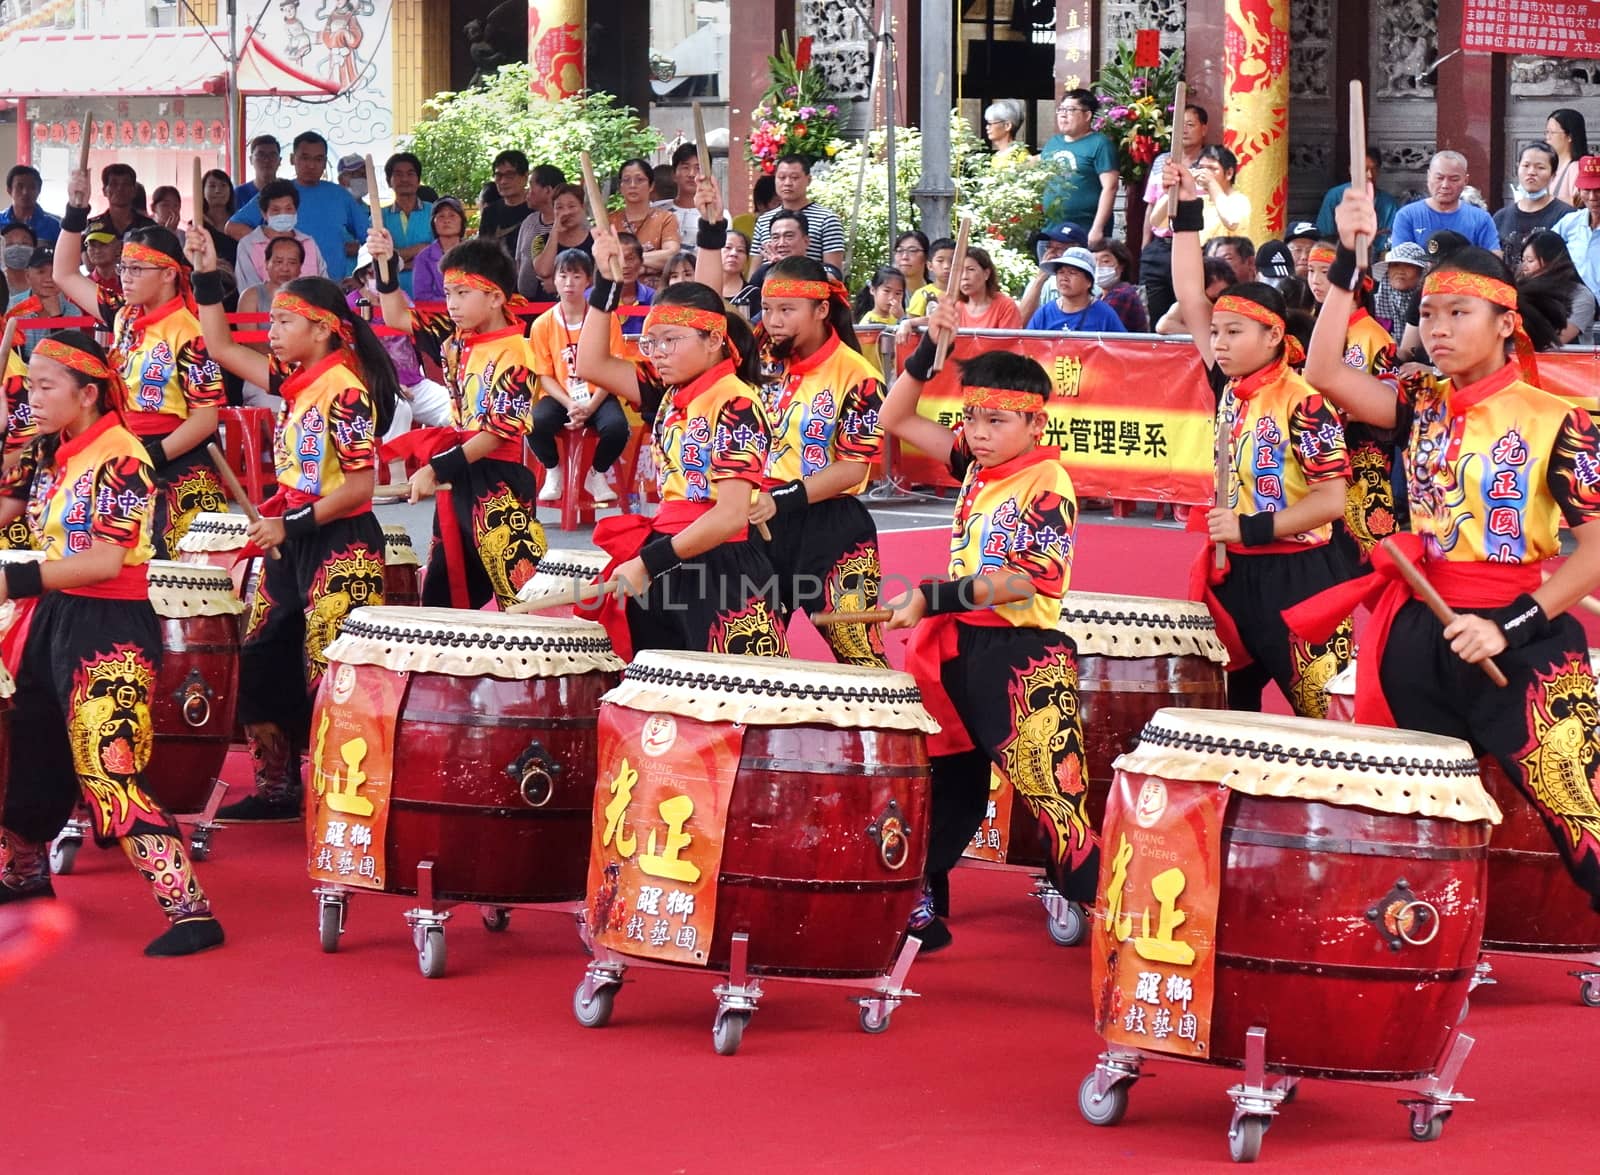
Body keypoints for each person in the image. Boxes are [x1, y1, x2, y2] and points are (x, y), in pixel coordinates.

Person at [1294, 186, 1600, 919]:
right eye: (1427, 313)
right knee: (1413, 804)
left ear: (1505, 322)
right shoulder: (1420, 400)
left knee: (1582, 806)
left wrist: (1511, 626)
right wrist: (1349, 259)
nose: (1437, 327)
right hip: (1417, 627)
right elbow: (1324, 372)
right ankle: (1432, 948)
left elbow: (1595, 550)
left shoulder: (1560, 421)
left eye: (1458, 312)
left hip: (1518, 634)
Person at [879, 298, 1097, 951]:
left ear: (1035, 421)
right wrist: (928, 353)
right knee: (953, 785)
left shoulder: (1047, 479)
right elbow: (895, 416)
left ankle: (1111, 921)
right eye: (970, 416)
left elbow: (1032, 576)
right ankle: (915, 896)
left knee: (1056, 797)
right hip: (956, 647)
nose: (977, 430)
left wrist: (935, 594)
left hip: (1021, 657)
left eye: (995, 420)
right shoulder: (976, 464)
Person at [0, 330, 224, 955]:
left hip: (109, 631)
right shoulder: (54, 448)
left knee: (108, 765)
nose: (33, 398)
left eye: (46, 387)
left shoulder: (124, 457)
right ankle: (23, 871)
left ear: (89, 394)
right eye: (31, 386)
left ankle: (190, 912)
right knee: (34, 744)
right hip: (53, 616)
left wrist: (10, 578)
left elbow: (102, 560)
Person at [185, 231, 395, 823]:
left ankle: (342, 801)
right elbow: (220, 343)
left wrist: (289, 523)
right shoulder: (299, 384)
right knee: (261, 657)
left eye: (283, 320)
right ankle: (278, 789)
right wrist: (206, 273)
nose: (271, 330)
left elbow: (359, 488)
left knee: (331, 673)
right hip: (291, 540)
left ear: (324, 329)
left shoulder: (346, 392)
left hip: (339, 544)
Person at [1162, 156, 1353, 718]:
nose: (1217, 343)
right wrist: (1187, 207)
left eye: (1233, 332)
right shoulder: (1230, 382)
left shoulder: (1305, 402)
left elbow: (1331, 500)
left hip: (1299, 575)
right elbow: (1190, 293)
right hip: (1231, 568)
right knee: (1226, 717)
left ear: (1273, 336)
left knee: (1324, 719)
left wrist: (1252, 525)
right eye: (1215, 333)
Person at [573, 244, 789, 660]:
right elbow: (592, 364)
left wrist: (649, 562)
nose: (657, 354)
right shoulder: (668, 393)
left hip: (721, 565)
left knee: (733, 701)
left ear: (713, 340)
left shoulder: (736, 403)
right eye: (651, 343)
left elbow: (728, 515)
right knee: (658, 688)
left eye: (670, 341)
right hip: (666, 552)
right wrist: (605, 285)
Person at [367, 230, 546, 610]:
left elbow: (498, 432)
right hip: (460, 472)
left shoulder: (518, 352)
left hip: (498, 484)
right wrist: (386, 265)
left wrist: (434, 468)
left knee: (518, 596)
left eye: (463, 293)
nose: (452, 303)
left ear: (496, 297)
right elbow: (397, 314)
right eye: (448, 293)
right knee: (443, 593)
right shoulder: (456, 338)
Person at [53, 178, 226, 558]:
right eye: (124, 267)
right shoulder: (123, 315)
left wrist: (153, 454)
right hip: (129, 451)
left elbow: (206, 419)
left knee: (174, 581)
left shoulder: (190, 330)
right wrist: (75, 209)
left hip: (178, 464)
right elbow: (64, 275)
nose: (126, 276)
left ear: (167, 273)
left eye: (136, 269)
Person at [744, 254, 891, 668]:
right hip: (755, 523)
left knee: (858, 652)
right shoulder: (757, 357)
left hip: (830, 528)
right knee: (750, 655)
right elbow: (707, 319)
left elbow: (854, 467)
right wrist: (712, 232)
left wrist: (783, 499)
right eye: (768, 309)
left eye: (787, 310)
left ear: (822, 309)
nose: (773, 321)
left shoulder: (858, 376)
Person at [1303, 239, 1400, 563]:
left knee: (1373, 556)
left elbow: (1357, 399)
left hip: (1362, 458)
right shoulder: (1318, 327)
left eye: (1326, 273)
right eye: (1311, 272)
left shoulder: (1369, 336)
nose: (1316, 281)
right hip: (1329, 456)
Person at [526, 248, 632, 507]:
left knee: (618, 428)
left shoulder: (606, 320)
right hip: (561, 395)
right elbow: (544, 375)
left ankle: (596, 473)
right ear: (554, 280)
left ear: (588, 281)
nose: (569, 283)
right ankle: (553, 469)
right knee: (533, 424)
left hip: (599, 392)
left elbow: (614, 368)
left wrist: (590, 406)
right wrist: (570, 404)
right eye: (563, 276)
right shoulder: (542, 323)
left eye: (576, 276)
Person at [226, 131, 368, 282]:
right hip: (280, 291)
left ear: (325, 162)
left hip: (332, 290)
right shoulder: (279, 191)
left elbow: (370, 238)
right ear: (293, 159)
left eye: (318, 159)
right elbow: (233, 227)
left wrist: (360, 279)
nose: (311, 165)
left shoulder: (340, 195)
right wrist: (269, 245)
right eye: (305, 158)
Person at [1141, 102, 1209, 322]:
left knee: (1192, 312)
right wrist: (1146, 245)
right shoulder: (1163, 161)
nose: (1185, 130)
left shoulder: (1211, 162)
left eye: (1190, 124)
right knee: (1158, 316)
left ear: (1204, 129)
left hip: (1196, 245)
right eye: (1180, 125)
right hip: (1161, 246)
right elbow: (1151, 204)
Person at [235, 235, 308, 409]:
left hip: (304, 370)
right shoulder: (251, 295)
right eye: (278, 261)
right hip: (263, 371)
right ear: (266, 263)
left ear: (300, 268)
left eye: (291, 262)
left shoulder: (309, 297)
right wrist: (284, 361)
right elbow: (248, 342)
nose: (284, 268)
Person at [1040, 89, 1118, 242]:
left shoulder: (1100, 144)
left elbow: (1110, 187)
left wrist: (1098, 228)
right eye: (1061, 109)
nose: (1063, 114)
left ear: (1087, 115)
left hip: (1085, 231)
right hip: (1051, 230)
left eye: (1070, 110)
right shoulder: (1052, 143)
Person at [1388, 151, 1500, 254]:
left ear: (1465, 180)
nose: (1445, 185)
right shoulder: (1407, 216)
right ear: (1428, 176)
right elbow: (1401, 262)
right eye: (1439, 178)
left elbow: (1493, 260)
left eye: (1454, 179)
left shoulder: (1481, 219)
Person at [751, 156, 846, 274]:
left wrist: (793, 267)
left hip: (809, 289)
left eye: (794, 177)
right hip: (769, 290)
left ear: (809, 180)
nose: (787, 183)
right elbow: (754, 270)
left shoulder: (828, 219)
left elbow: (834, 274)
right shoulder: (763, 220)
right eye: (781, 177)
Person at [233, 180, 327, 289]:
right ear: (264, 214)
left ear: (296, 211)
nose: (283, 214)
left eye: (288, 209)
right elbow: (249, 291)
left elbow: (324, 285)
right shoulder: (248, 245)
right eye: (276, 210)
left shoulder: (308, 243)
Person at [1495, 142, 1574, 266]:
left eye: (1540, 167)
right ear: (1517, 168)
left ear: (1553, 174)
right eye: (1526, 165)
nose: (1531, 172)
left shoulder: (1567, 216)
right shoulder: (1501, 217)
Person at [1151, 145, 1250, 242]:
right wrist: (1176, 189)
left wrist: (1211, 183)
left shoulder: (1239, 200)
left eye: (1211, 169)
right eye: (1201, 168)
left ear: (1229, 173)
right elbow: (1156, 221)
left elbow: (1232, 221)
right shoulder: (1198, 200)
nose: (1204, 173)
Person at [1314, 147, 1399, 254]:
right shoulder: (1335, 196)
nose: (1370, 175)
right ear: (1351, 170)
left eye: (1374, 169)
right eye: (1364, 169)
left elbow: (1391, 242)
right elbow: (1324, 236)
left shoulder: (1389, 203)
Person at [609, 158, 681, 284]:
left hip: (656, 295)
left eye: (639, 180)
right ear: (620, 187)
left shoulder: (665, 218)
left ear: (651, 185)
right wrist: (646, 265)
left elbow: (671, 256)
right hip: (617, 293)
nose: (632, 185)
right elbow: (606, 260)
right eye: (626, 180)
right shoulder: (610, 221)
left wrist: (626, 261)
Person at [1522, 228, 1597, 345]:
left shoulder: (1581, 297)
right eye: (1523, 260)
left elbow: (1555, 341)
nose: (1524, 267)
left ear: (1552, 262)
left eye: (1530, 261)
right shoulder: (1520, 291)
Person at [1025, 247, 1125, 333]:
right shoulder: (1045, 312)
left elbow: (1119, 349)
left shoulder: (1105, 315)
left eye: (1072, 273)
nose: (1064, 277)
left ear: (1089, 282)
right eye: (1060, 272)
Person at [6, 245, 84, 355]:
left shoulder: (73, 312)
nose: (49, 279)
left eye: (54, 272)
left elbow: (63, 357)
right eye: (41, 272)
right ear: (27, 276)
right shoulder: (12, 306)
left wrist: (56, 316)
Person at [380, 152, 433, 297]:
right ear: (388, 181)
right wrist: (421, 248)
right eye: (398, 174)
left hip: (431, 290)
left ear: (418, 179)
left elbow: (440, 254)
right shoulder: (379, 216)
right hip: (393, 292)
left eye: (410, 174)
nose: (404, 179)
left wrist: (397, 262)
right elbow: (380, 258)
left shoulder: (435, 212)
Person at [512, 164, 566, 299]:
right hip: (526, 305)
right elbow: (518, 260)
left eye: (531, 187)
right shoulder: (529, 221)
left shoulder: (569, 225)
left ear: (548, 191)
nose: (527, 192)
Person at [532, 183, 596, 291]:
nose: (566, 212)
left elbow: (597, 280)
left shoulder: (595, 240)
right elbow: (543, 271)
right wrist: (555, 232)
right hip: (547, 305)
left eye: (571, 206)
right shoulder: (539, 240)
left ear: (582, 207)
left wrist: (560, 286)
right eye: (559, 207)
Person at [1553, 155, 1600, 299]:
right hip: (1576, 308)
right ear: (1579, 191)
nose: (1592, 197)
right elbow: (1547, 248)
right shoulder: (1570, 223)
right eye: (1586, 190)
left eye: (1598, 190)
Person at [478, 149, 535, 255]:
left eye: (510, 175)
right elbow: (482, 253)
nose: (503, 181)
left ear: (525, 177)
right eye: (498, 176)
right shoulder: (490, 213)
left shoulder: (536, 210)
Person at [412, 196, 466, 305]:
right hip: (436, 316)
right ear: (433, 223)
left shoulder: (475, 253)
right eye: (441, 216)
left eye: (452, 215)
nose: (446, 220)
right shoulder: (424, 257)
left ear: (462, 221)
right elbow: (422, 296)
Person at [954, 247, 1021, 330]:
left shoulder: (1006, 306)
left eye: (971, 269)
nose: (964, 276)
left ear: (986, 274)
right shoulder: (955, 307)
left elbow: (1010, 341)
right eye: (959, 271)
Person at [84, 164, 156, 242]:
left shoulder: (149, 227)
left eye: (126, 184)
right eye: (114, 184)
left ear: (134, 190)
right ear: (104, 191)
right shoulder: (91, 226)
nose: (120, 188)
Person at [1091, 238, 1149, 333]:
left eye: (1105, 261)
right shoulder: (1100, 296)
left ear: (1121, 266)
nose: (1098, 266)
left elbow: (1099, 328)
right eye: (1094, 262)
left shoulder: (1122, 294)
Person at [1372, 240, 1428, 331]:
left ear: (1421, 272)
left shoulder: (1430, 305)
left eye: (1408, 265)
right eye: (1395, 265)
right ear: (1388, 271)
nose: (1400, 271)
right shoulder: (1371, 305)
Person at [655, 142, 704, 243]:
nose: (692, 174)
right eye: (685, 167)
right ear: (674, 174)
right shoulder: (655, 211)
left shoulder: (718, 214)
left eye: (698, 168)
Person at [1, 165, 61, 244]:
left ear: (39, 190)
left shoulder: (55, 226)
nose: (25, 192)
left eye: (32, 187)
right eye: (20, 186)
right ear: (9, 190)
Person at [199, 168, 240, 279]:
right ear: (202, 191)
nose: (218, 190)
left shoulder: (240, 222)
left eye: (223, 185)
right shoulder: (197, 225)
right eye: (212, 186)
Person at [1548, 108, 1590, 206]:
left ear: (1569, 136)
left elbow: (1580, 202)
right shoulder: (1552, 166)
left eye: (1552, 133)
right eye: (1546, 132)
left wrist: (1545, 202)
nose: (1548, 137)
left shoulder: (1575, 167)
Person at [906, 236, 954, 320]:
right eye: (940, 261)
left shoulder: (965, 294)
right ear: (930, 266)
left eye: (952, 261)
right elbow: (911, 324)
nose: (946, 266)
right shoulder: (921, 294)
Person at [984, 98, 1030, 167]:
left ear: (1007, 126)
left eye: (990, 123)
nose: (987, 127)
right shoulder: (996, 156)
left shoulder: (1020, 155)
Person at [2, 222, 35, 307]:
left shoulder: (44, 282)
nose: (17, 248)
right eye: (10, 244)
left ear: (34, 249)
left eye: (24, 243)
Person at [719, 232, 749, 302]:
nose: (734, 253)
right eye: (728, 247)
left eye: (740, 250)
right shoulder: (703, 289)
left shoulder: (753, 293)